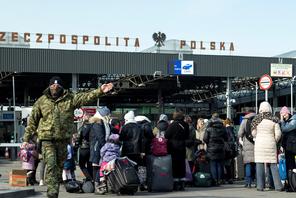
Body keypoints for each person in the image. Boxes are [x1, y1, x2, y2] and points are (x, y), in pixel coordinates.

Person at [22, 76, 113, 198]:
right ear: (49, 86)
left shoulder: (70, 99)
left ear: (62, 87)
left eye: (58, 85)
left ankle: (54, 190)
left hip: (63, 140)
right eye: (53, 85)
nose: (55, 87)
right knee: (51, 164)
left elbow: (85, 97)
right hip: (47, 139)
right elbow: (32, 122)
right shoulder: (41, 101)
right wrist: (26, 139)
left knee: (59, 169)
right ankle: (52, 194)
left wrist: (100, 91)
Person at [251, 101, 283, 191]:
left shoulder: (256, 119)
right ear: (269, 108)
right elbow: (278, 134)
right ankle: (278, 186)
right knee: (273, 164)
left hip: (259, 144)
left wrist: (258, 137)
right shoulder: (274, 119)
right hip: (270, 143)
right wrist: (274, 140)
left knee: (259, 164)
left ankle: (260, 186)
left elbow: (253, 133)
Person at [165, 111, 189, 191]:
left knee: (174, 165)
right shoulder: (185, 125)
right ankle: (182, 184)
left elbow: (166, 135)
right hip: (182, 146)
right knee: (182, 164)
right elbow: (187, 136)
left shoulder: (172, 125)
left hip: (173, 147)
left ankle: (175, 184)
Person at [203, 112, 228, 186]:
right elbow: (226, 138)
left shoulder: (209, 128)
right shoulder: (223, 127)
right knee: (220, 164)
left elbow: (205, 139)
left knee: (213, 164)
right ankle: (220, 179)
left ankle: (214, 180)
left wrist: (209, 143)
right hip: (221, 148)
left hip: (211, 148)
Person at [238, 110, 256, 188]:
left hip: (247, 144)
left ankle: (248, 183)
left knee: (248, 164)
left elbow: (240, 133)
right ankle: (257, 182)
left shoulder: (245, 120)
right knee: (256, 164)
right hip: (256, 144)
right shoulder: (258, 118)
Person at [279, 106, 296, 191]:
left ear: (288, 113)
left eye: (283, 113)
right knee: (288, 166)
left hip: (292, 147)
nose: (282, 115)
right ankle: (290, 184)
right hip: (288, 147)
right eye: (281, 113)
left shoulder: (293, 121)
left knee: (291, 166)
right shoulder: (288, 121)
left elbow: (284, 130)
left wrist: (282, 121)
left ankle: (292, 185)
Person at [77, 114, 93, 181]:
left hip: (84, 148)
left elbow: (79, 136)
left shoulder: (84, 126)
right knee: (89, 165)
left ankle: (89, 178)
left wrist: (78, 144)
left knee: (82, 164)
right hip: (91, 147)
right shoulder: (93, 126)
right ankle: (92, 179)